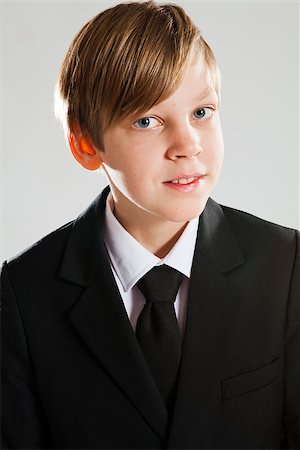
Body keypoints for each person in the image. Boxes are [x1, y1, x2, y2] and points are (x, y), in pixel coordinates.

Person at [1, 1, 299, 448]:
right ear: (85, 144)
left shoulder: (287, 264)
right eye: (147, 120)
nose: (188, 145)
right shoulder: (24, 293)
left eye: (202, 112)